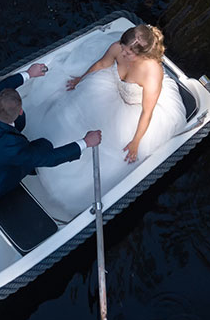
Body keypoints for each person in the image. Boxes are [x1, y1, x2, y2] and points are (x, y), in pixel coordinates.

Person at [22, 24, 186, 219]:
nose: (123, 54)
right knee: (73, 112)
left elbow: (147, 112)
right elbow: (101, 64)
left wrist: (136, 142)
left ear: (143, 55)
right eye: (123, 48)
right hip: (113, 90)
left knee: (115, 151)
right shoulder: (118, 48)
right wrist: (80, 79)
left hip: (136, 107)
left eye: (128, 52)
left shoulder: (152, 72)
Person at [0, 62, 101, 212]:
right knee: (43, 145)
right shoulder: (11, 146)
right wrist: (85, 143)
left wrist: (28, 74)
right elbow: (49, 158)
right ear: (20, 111)